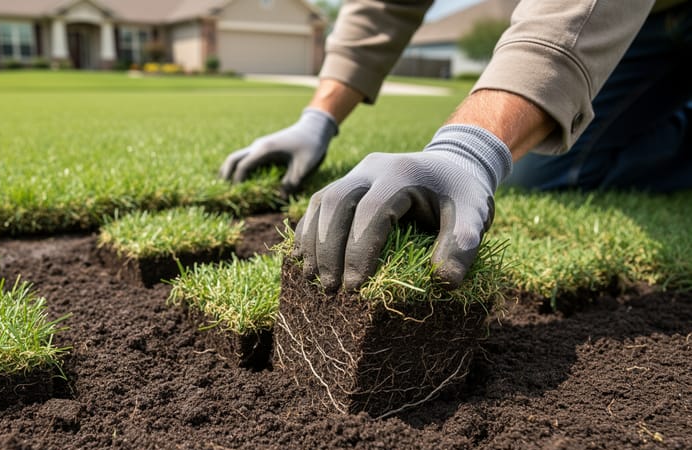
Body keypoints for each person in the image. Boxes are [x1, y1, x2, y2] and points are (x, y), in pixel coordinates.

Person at [219, 0, 692, 292]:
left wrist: (469, 149)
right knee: (543, 170)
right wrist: (318, 118)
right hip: (653, 22)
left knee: (526, 142)